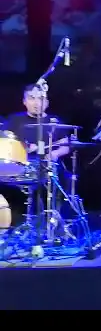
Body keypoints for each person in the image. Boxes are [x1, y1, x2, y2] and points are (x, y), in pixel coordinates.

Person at [0, 85, 71, 227]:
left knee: (59, 178)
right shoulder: (14, 120)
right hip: (18, 168)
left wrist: (55, 153)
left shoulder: (54, 122)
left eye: (40, 98)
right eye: (32, 98)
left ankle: (50, 224)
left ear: (47, 102)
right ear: (24, 101)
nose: (37, 102)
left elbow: (66, 146)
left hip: (46, 169)